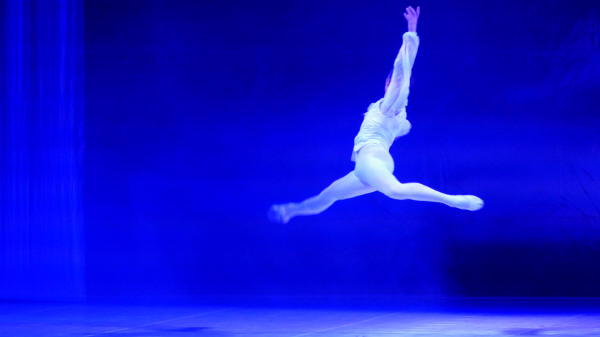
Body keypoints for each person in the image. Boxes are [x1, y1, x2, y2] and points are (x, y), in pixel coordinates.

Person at [268, 6, 483, 224]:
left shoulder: (391, 106)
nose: (393, 83)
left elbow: (402, 70)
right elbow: (401, 117)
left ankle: (453, 200)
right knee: (328, 195)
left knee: (394, 190)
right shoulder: (392, 112)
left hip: (371, 160)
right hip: (367, 167)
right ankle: (289, 211)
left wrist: (411, 32)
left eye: (394, 83)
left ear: (391, 85)